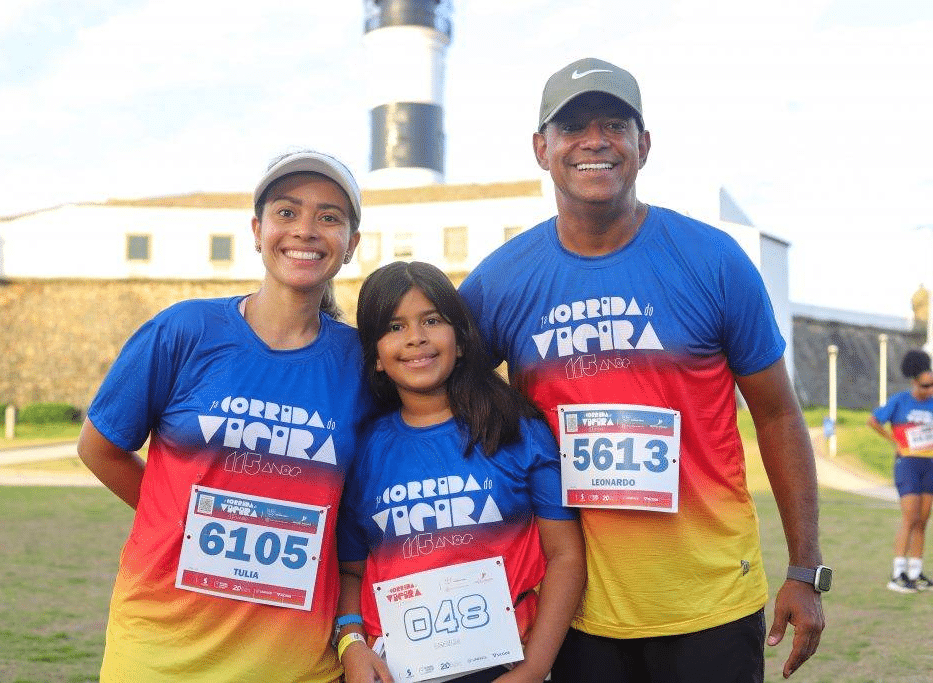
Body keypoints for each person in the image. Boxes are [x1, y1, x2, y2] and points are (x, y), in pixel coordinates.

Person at [458, 58, 828, 682]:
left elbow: (778, 414)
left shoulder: (712, 260)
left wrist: (805, 567)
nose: (595, 140)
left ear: (643, 145)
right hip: (577, 614)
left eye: (615, 124)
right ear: (541, 148)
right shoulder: (502, 282)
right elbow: (433, 398)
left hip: (712, 604)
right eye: (572, 126)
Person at [78, 149, 373, 682]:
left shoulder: (360, 363)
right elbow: (99, 447)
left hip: (294, 658)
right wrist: (178, 519)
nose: (305, 230)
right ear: (258, 231)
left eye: (329, 217)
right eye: (287, 212)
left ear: (351, 245)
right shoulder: (184, 332)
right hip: (161, 645)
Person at [335, 261, 586, 683]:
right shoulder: (362, 451)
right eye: (394, 327)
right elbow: (352, 571)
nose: (416, 337)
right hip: (397, 670)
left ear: (462, 340)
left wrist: (536, 667)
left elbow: (566, 556)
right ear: (375, 357)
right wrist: (350, 644)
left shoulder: (516, 429)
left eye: (431, 320)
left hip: (505, 667)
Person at [868, 349, 933, 593]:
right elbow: (873, 420)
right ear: (914, 383)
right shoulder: (900, 401)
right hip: (907, 465)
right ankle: (898, 574)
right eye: (926, 386)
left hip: (929, 465)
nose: (930, 389)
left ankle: (916, 573)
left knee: (923, 520)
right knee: (910, 517)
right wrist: (894, 441)